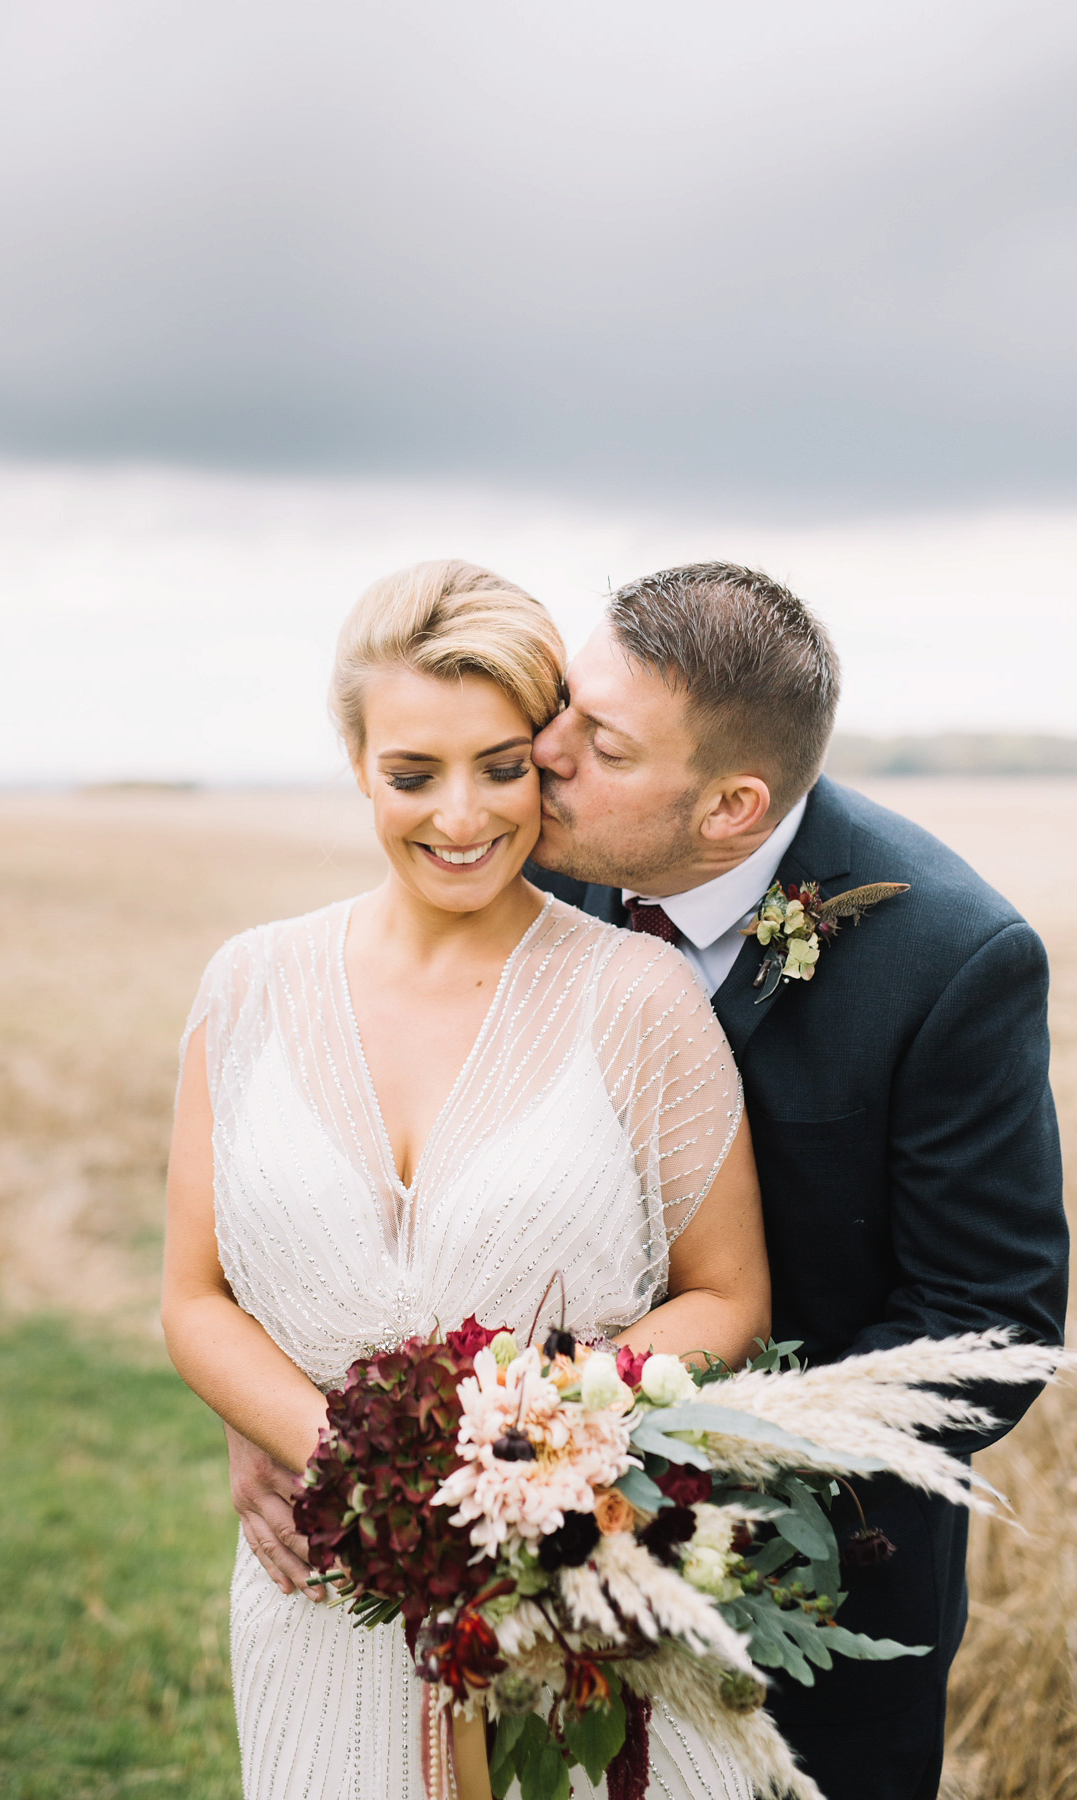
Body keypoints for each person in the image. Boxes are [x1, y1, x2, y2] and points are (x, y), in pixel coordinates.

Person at [162, 560, 770, 1800]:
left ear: (547, 758)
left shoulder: (639, 998)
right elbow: (194, 1296)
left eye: (502, 767)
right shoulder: (249, 987)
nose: (460, 817)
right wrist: (356, 1468)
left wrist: (534, 1458)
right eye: (412, 774)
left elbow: (726, 1299)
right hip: (322, 1590)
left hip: (578, 1595)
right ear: (354, 759)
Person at [518, 563, 1067, 1799]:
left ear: (731, 808)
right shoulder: (537, 871)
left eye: (597, 741)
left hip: (814, 1592)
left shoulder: (953, 961)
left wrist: (668, 1467)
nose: (541, 752)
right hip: (524, 1561)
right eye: (564, 705)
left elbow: (992, 1322)